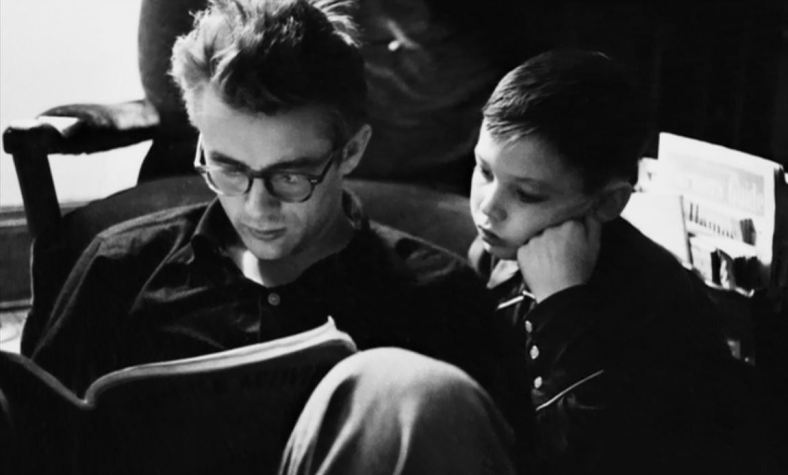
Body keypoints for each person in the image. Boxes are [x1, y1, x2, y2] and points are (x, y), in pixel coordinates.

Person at [28, 1, 525, 473]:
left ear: (351, 152)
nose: (256, 207)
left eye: (291, 176)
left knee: (410, 391)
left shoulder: (440, 297)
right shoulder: (121, 267)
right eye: (226, 168)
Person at [468, 49, 755, 474]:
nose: (489, 209)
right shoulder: (497, 253)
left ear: (607, 202)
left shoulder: (660, 309)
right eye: (484, 171)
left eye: (527, 194)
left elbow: (571, 456)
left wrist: (562, 308)